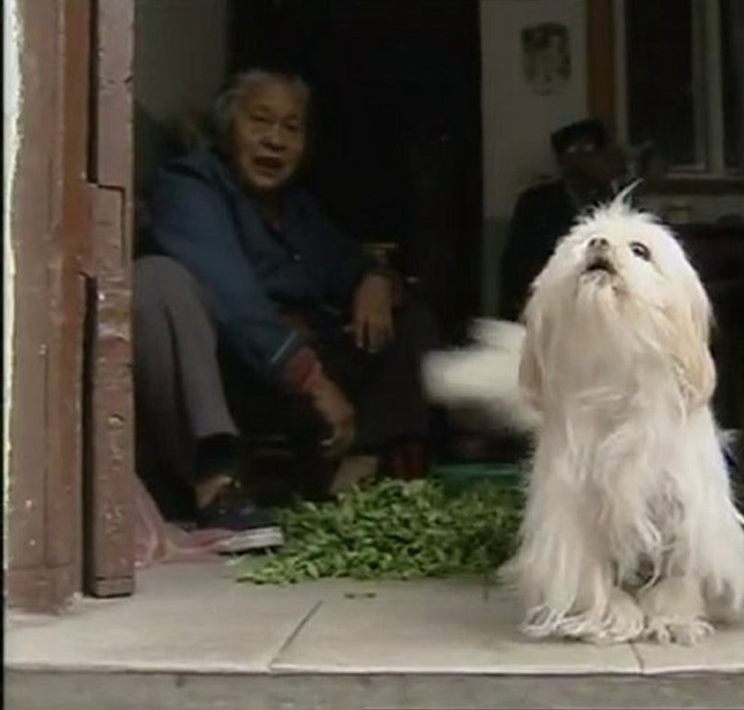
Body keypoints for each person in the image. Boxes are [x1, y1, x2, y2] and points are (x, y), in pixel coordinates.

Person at [134, 69, 439, 549]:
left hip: (298, 371)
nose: (274, 140)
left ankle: (356, 477)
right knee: (156, 280)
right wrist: (312, 380)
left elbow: (349, 263)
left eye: (291, 128)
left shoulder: (297, 210)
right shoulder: (188, 183)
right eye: (260, 121)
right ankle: (217, 488)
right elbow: (233, 299)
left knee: (410, 319)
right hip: (237, 368)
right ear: (228, 128)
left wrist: (375, 280)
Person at [499, 119, 627, 320]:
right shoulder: (537, 204)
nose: (616, 158)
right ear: (576, 156)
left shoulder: (617, 202)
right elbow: (519, 275)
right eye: (606, 152)